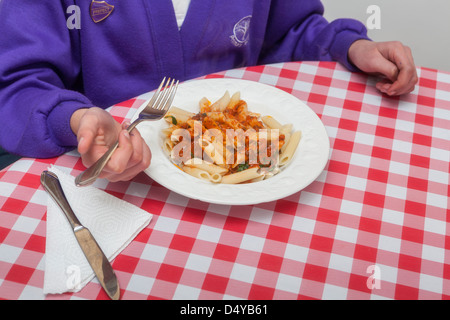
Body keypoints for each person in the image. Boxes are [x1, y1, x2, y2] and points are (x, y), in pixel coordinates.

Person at [0, 0, 417, 179]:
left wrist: (350, 45)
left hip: (243, 185)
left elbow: (289, 30)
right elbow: (18, 82)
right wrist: (76, 119)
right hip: (107, 180)